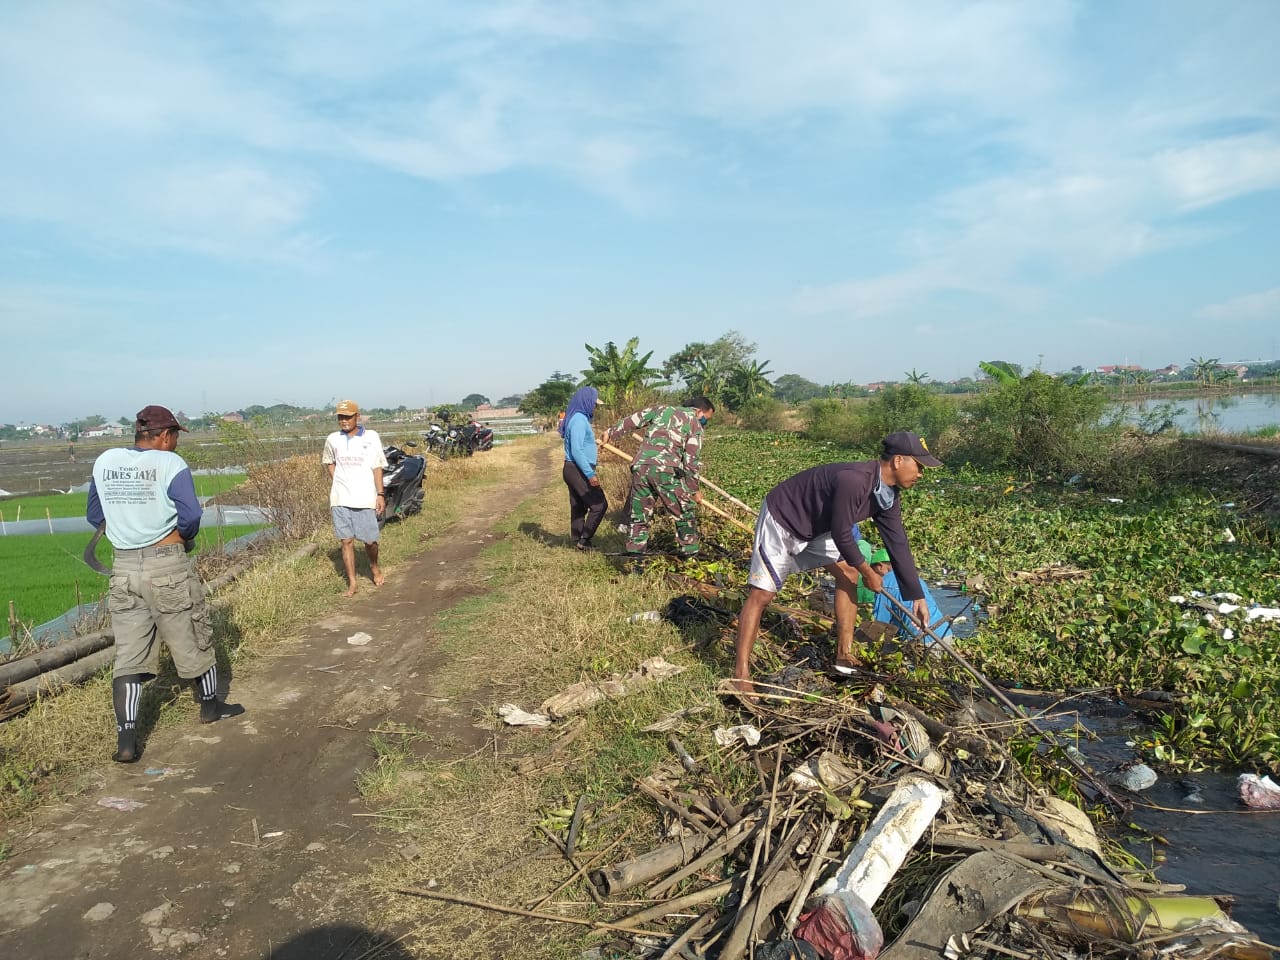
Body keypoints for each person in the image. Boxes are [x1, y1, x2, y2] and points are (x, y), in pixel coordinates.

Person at [732, 431, 942, 689]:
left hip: (819, 527)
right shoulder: (854, 480)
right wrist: (868, 572)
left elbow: (897, 542)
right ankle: (740, 672)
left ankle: (844, 654)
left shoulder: (887, 496)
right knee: (763, 594)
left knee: (847, 574)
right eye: (919, 466)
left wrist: (916, 596)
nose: (921, 473)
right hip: (784, 518)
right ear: (898, 461)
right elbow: (843, 535)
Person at [86, 405, 231, 763]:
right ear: (165, 436)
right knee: (193, 634)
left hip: (123, 568)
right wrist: (181, 537)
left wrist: (126, 527)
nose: (177, 443)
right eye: (176, 437)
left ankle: (126, 741)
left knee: (129, 656)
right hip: (166, 564)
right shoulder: (170, 464)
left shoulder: (105, 461)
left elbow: (94, 514)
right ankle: (211, 707)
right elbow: (192, 515)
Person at [603, 397, 714, 559]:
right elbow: (691, 461)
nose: (704, 423)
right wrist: (693, 490)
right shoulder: (694, 422)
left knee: (640, 515)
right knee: (684, 511)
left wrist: (610, 432)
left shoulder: (662, 410)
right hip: (665, 470)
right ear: (698, 411)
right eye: (705, 419)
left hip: (641, 467)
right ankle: (691, 555)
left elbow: (634, 420)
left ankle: (636, 559)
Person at [322, 400, 388, 597]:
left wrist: (380, 494)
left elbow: (377, 467)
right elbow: (329, 462)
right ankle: (352, 583)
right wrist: (339, 481)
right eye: (340, 417)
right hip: (340, 499)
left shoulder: (371, 437)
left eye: (348, 417)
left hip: (365, 498)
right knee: (346, 541)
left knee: (370, 541)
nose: (344, 421)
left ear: (357, 417)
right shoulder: (333, 439)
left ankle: (374, 566)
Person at [867, 546, 953, 644]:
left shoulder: (884, 584)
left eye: (873, 570)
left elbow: (880, 625)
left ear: (880, 566)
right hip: (945, 634)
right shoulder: (915, 578)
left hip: (922, 641)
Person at [559, 386, 607, 550]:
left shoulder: (577, 418)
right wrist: (590, 474)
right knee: (599, 505)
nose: (595, 407)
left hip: (572, 468)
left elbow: (581, 446)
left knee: (578, 506)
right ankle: (584, 540)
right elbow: (577, 450)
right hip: (578, 469)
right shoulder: (579, 420)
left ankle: (577, 541)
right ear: (586, 402)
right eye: (594, 404)